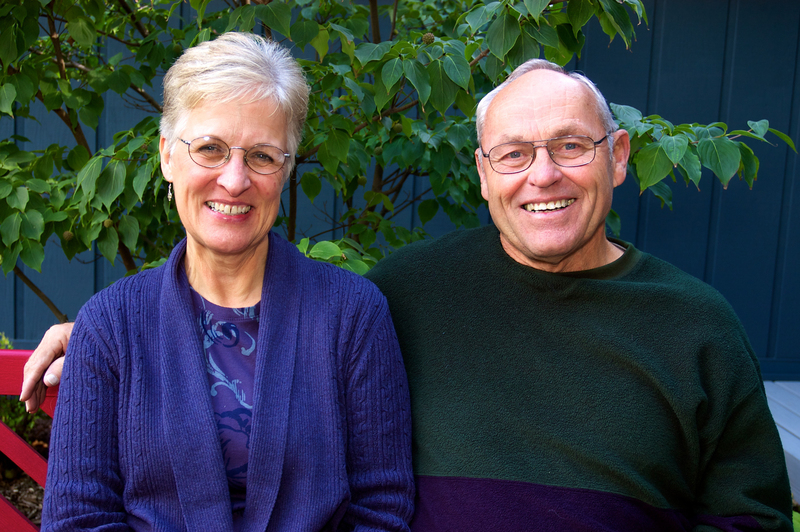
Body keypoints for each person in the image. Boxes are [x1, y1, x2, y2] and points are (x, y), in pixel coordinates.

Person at [23, 58, 792, 531]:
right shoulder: (411, 290)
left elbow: (747, 516)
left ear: (618, 157)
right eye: (516, 152)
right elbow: (82, 509)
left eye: (570, 147)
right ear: (485, 171)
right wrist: (96, 335)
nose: (543, 175)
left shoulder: (695, 326)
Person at [24, 32, 414, 532]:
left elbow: (382, 509)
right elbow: (79, 518)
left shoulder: (352, 315)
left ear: (286, 170)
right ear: (167, 156)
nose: (234, 180)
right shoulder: (111, 325)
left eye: (263, 156)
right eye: (210, 148)